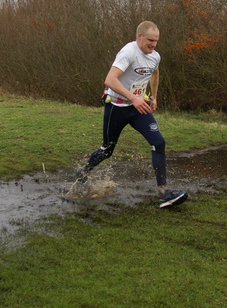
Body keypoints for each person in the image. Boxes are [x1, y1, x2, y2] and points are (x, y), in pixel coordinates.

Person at [76, 21, 187, 208]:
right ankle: (84, 171)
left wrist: (152, 96)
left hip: (138, 109)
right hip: (116, 107)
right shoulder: (128, 52)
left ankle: (164, 193)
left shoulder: (155, 56)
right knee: (107, 150)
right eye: (150, 40)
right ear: (139, 37)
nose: (153, 45)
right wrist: (133, 98)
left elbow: (154, 74)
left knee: (158, 142)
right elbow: (110, 80)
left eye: (156, 41)